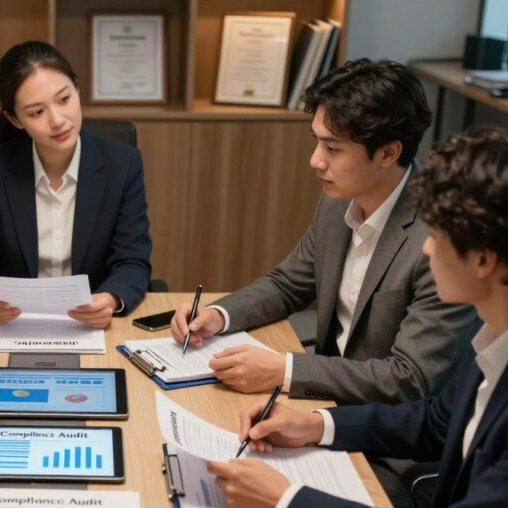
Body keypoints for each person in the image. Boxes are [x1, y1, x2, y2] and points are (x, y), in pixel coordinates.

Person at [206, 127, 508, 508]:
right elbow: (436, 422)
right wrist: (315, 425)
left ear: (484, 260)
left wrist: (285, 503)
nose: (426, 247)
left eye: (438, 235)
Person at [171, 59, 475, 404]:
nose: (315, 160)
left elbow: (410, 378)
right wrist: (218, 315)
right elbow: (288, 285)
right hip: (325, 399)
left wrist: (284, 371)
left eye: (332, 148)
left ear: (388, 152)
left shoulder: (442, 240)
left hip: (388, 434)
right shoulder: (337, 201)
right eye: (316, 142)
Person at [0, 41, 152, 329]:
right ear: (14, 119)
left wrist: (109, 299)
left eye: (64, 99)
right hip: (16, 324)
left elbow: (133, 261)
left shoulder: (123, 164)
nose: (58, 120)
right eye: (36, 113)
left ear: (77, 89)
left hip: (91, 325)